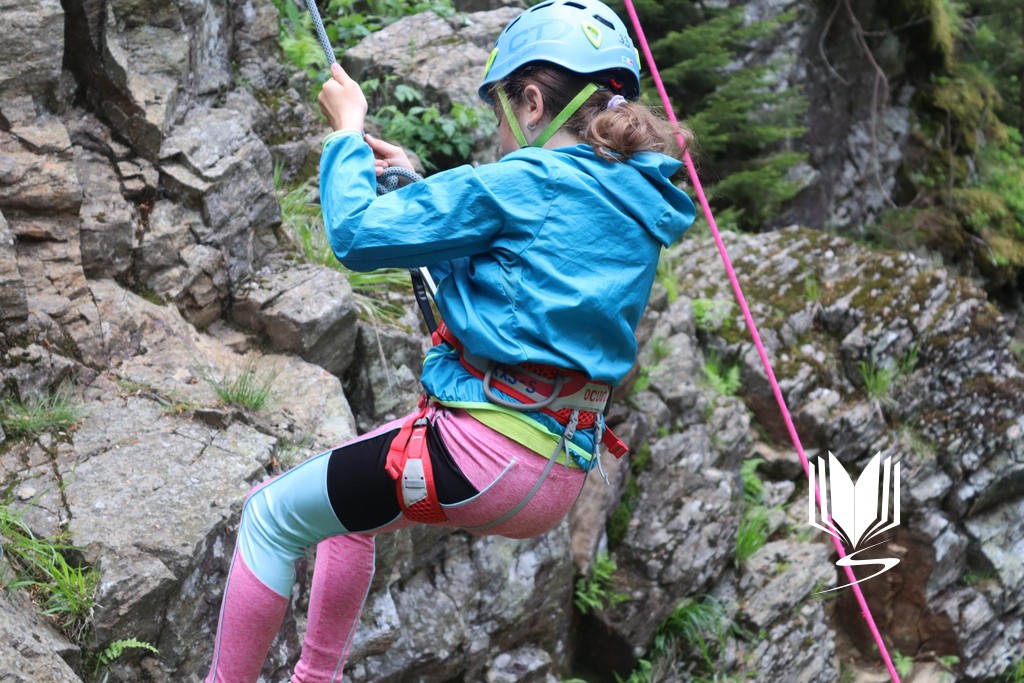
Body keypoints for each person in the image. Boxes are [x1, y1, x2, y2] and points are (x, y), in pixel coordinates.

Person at [205, 0, 696, 680]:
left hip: (482, 452)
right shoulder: (630, 197)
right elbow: (523, 259)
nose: (497, 130)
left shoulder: (528, 180)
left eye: (500, 110)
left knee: (268, 517)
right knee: (347, 516)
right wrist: (416, 182)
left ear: (532, 102)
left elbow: (356, 234)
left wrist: (345, 133)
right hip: (554, 469)